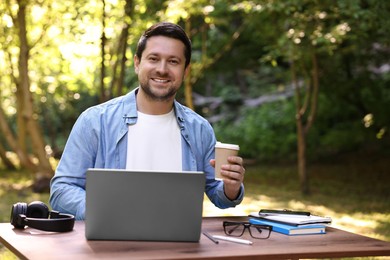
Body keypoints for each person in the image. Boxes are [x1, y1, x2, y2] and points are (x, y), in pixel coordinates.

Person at [49, 22, 245, 220]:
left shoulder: (200, 129)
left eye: (173, 61)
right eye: (153, 58)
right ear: (137, 63)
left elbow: (219, 194)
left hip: (179, 247)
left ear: (185, 71)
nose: (162, 69)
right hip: (109, 245)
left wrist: (231, 187)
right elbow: (61, 191)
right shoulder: (95, 121)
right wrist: (101, 211)